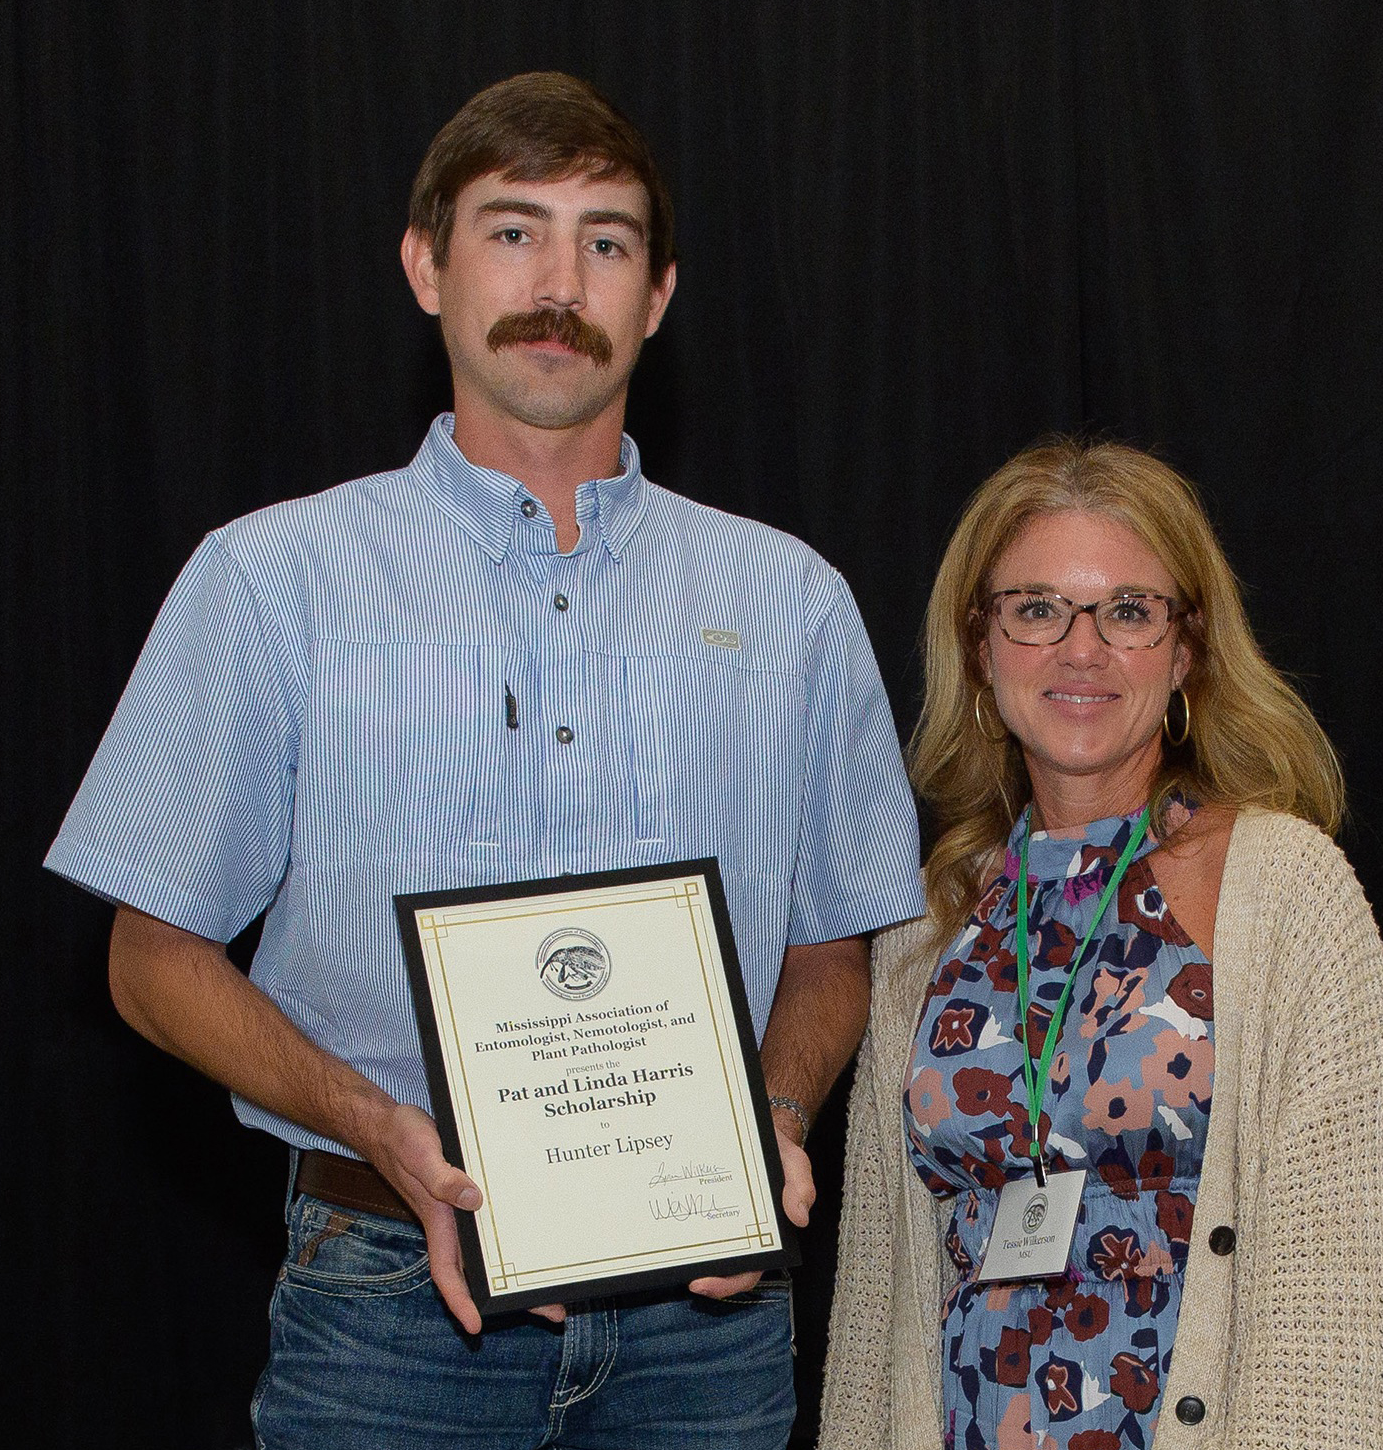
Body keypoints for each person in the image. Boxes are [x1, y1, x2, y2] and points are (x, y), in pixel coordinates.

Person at [46, 72, 923, 1449]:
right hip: (388, 1296)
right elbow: (148, 955)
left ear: (659, 293)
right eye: (514, 230)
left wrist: (777, 1106)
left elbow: (831, 950)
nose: (560, 282)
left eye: (608, 241)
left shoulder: (791, 600)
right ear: (425, 266)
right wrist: (374, 1119)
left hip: (711, 1317)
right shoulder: (271, 581)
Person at [818, 439, 1383, 1449]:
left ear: (1186, 648)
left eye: (1126, 611)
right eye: (1035, 609)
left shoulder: (1284, 893)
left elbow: (1363, 1308)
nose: (1081, 649)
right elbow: (870, 1318)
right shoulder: (922, 935)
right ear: (980, 645)